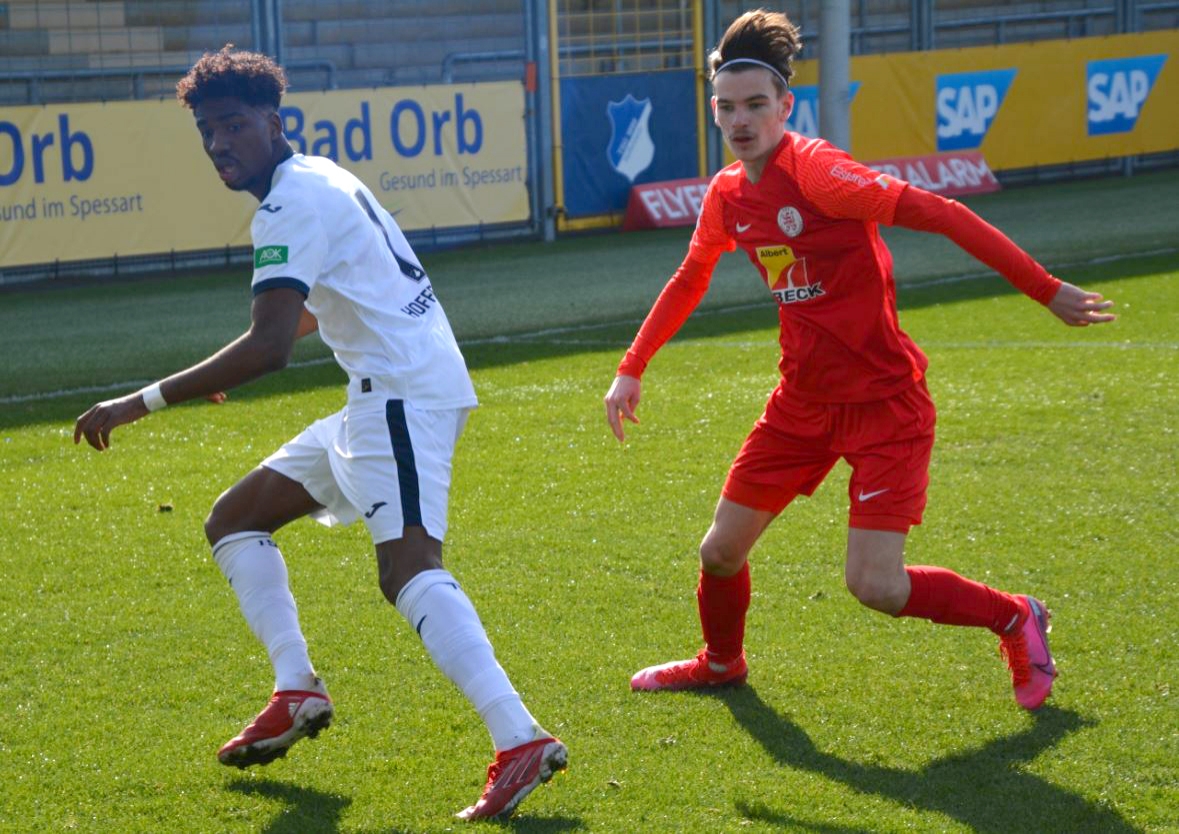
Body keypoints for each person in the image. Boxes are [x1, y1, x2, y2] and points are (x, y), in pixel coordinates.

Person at [73, 47, 566, 821]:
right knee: (235, 519)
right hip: (388, 390)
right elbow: (330, 299)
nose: (219, 144)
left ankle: (519, 737)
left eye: (233, 125)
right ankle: (296, 689)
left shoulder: (287, 205)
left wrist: (139, 403)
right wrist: (244, 355)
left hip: (399, 395)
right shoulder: (318, 176)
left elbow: (269, 346)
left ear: (273, 122)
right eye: (207, 131)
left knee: (407, 569)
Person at [604, 10, 1115, 708]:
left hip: (884, 406)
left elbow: (944, 214)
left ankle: (1014, 616)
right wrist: (632, 366)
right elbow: (691, 276)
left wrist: (1045, 289)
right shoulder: (727, 194)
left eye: (755, 105)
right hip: (800, 405)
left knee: (875, 586)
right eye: (726, 107)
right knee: (719, 552)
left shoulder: (821, 175)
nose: (740, 120)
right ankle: (721, 663)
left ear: (785, 106)